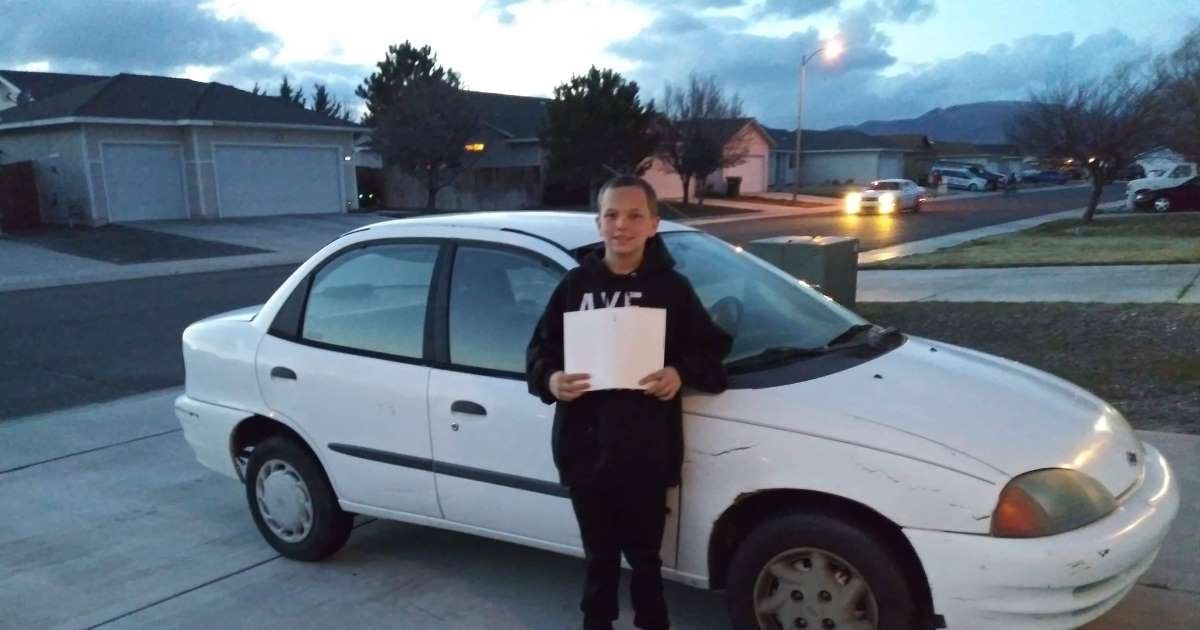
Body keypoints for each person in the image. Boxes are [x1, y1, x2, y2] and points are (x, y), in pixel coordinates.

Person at [526, 175, 732, 630]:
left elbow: (713, 351)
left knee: (645, 560)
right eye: (612, 215)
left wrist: (680, 373)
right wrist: (552, 379)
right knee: (599, 559)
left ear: (654, 224)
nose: (623, 225)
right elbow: (539, 352)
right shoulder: (574, 287)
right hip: (585, 450)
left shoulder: (673, 290)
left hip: (647, 451)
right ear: (598, 223)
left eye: (635, 215)